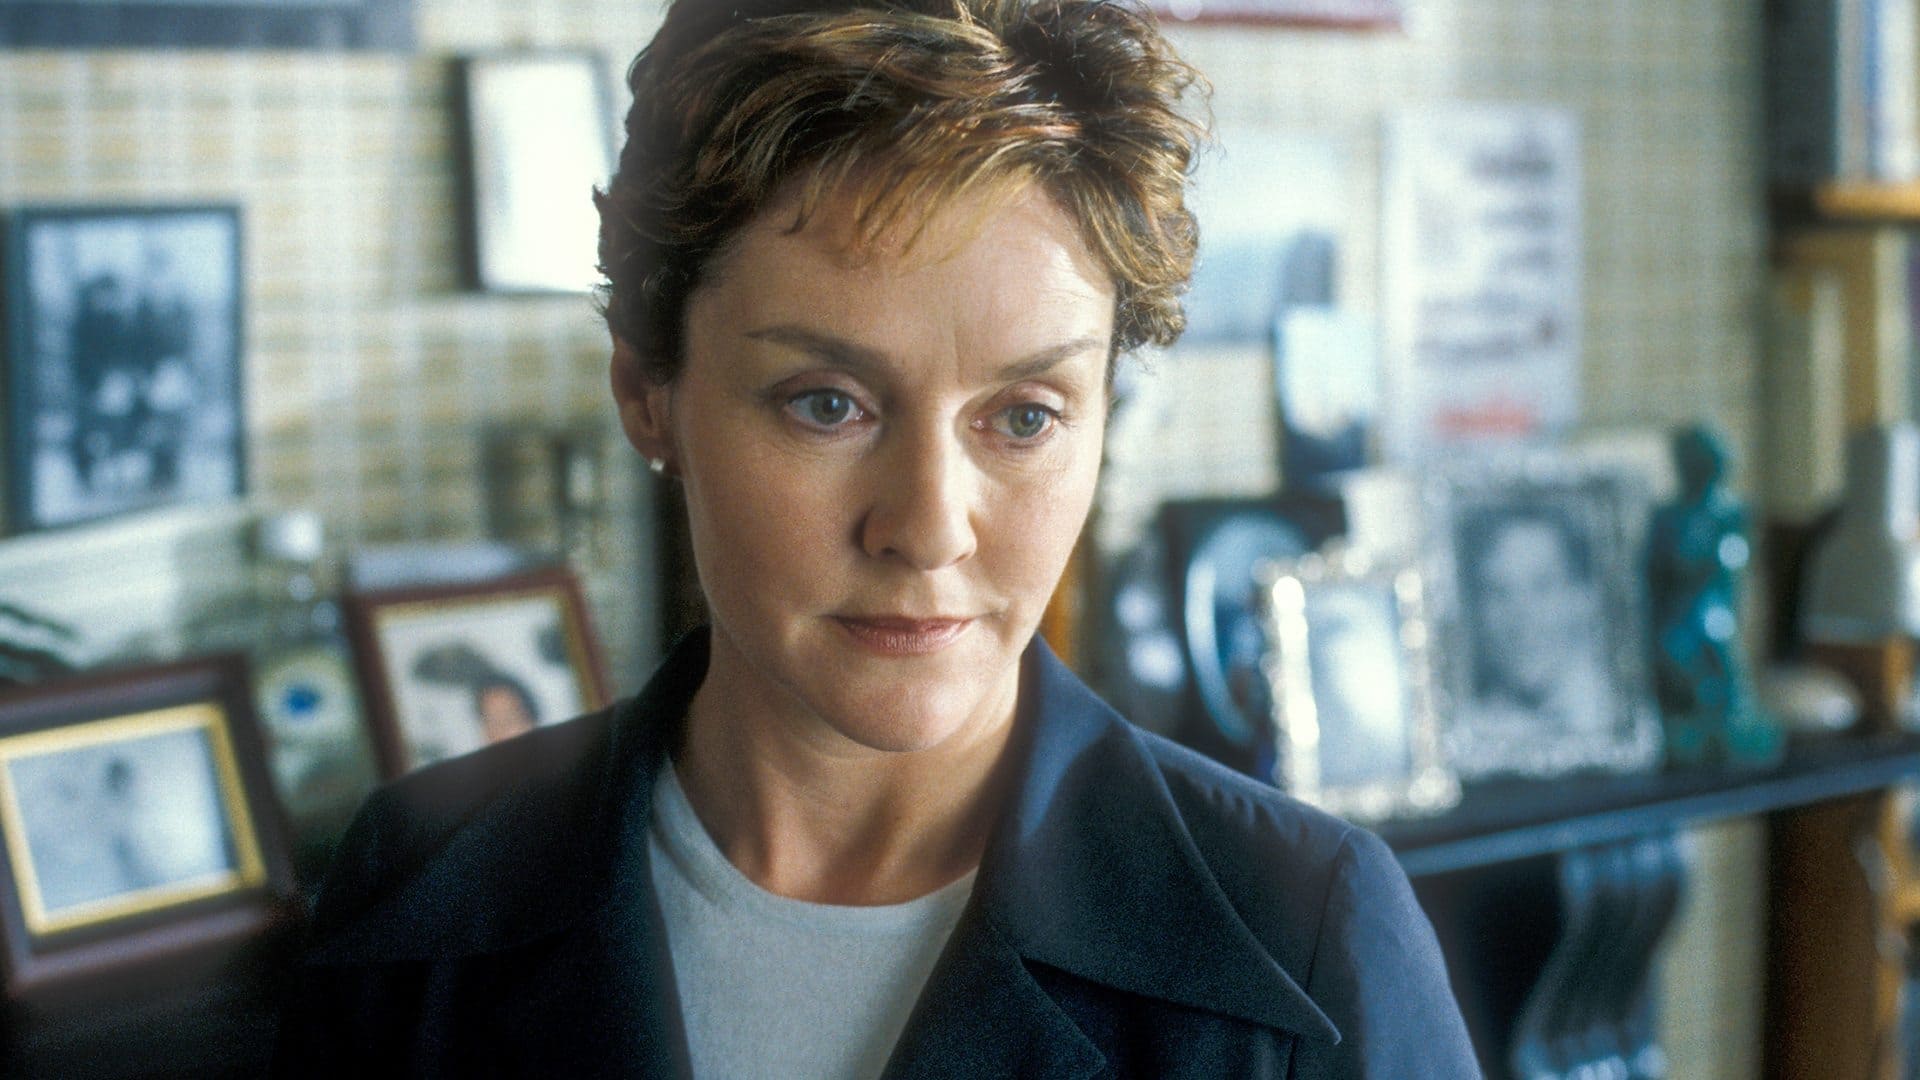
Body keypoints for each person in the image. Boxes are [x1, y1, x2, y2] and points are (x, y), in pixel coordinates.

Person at [273, 1, 1476, 1076]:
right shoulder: (425, 879)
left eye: (1025, 416)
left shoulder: (1307, 937)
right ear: (648, 391)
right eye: (827, 404)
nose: (930, 529)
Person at [1458, 504, 1611, 737]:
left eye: (1542, 587)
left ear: (1584, 596)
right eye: (1499, 591)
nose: (1521, 618)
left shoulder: (1622, 711)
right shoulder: (1473, 728)